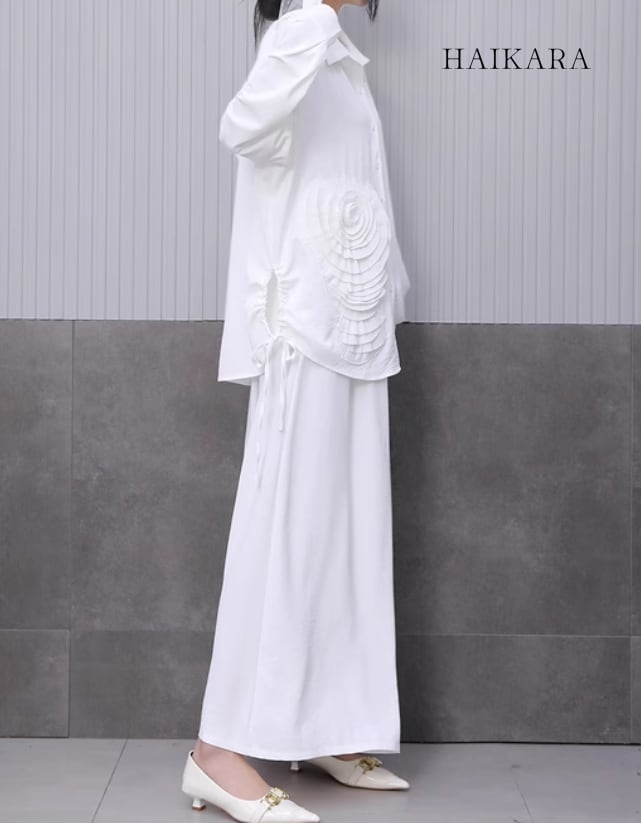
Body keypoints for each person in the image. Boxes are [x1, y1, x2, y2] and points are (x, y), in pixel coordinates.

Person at [181, 0, 412, 820]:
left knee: (344, 532)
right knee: (285, 527)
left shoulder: (342, 63)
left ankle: (322, 724)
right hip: (304, 330)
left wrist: (386, 299)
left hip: (354, 326)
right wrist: (309, 15)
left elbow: (358, 188)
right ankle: (216, 751)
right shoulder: (298, 35)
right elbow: (242, 127)